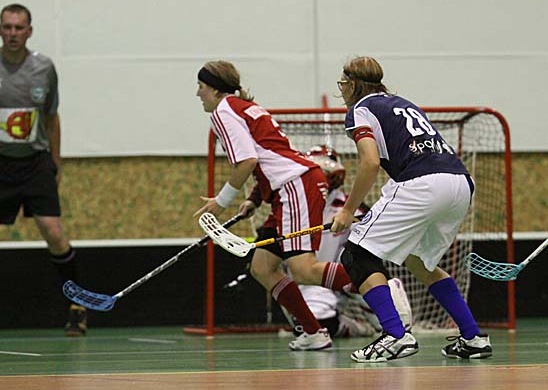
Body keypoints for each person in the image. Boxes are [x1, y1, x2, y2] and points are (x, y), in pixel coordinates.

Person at [330, 56, 493, 362]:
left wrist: (348, 210)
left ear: (352, 84)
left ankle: (395, 335)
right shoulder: (403, 103)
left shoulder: (360, 109)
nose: (342, 91)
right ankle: (473, 338)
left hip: (423, 184)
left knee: (356, 255)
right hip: (460, 183)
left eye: (342, 84)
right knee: (420, 262)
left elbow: (370, 162)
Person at [193, 61, 358, 351]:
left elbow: (248, 161)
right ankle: (314, 332)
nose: (198, 93)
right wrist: (254, 199)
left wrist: (221, 202)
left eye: (201, 87)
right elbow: (272, 157)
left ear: (216, 89)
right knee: (262, 267)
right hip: (290, 188)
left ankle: (377, 284)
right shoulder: (245, 107)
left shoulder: (223, 111)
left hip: (294, 187)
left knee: (304, 270)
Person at [0, 4, 86, 336]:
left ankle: (77, 305)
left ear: (29, 31)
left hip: (35, 161)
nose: (13, 34)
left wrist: (56, 161)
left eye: (19, 28)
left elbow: (52, 117)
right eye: (7, 27)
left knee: (53, 232)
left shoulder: (44, 68)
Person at [293, 145, 412, 338]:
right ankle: (357, 327)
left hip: (352, 278)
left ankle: (385, 294)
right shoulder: (296, 207)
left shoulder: (351, 208)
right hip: (315, 281)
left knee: (393, 323)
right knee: (310, 326)